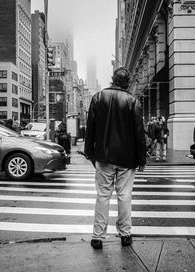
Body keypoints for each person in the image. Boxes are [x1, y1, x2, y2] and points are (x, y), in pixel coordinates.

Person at [85, 67, 147, 250]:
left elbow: (91, 128)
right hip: (127, 159)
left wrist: (89, 152)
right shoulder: (132, 101)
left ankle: (98, 236)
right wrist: (142, 159)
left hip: (104, 157)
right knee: (125, 196)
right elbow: (139, 134)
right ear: (127, 83)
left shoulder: (98, 97)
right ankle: (125, 234)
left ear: (113, 79)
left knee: (103, 196)